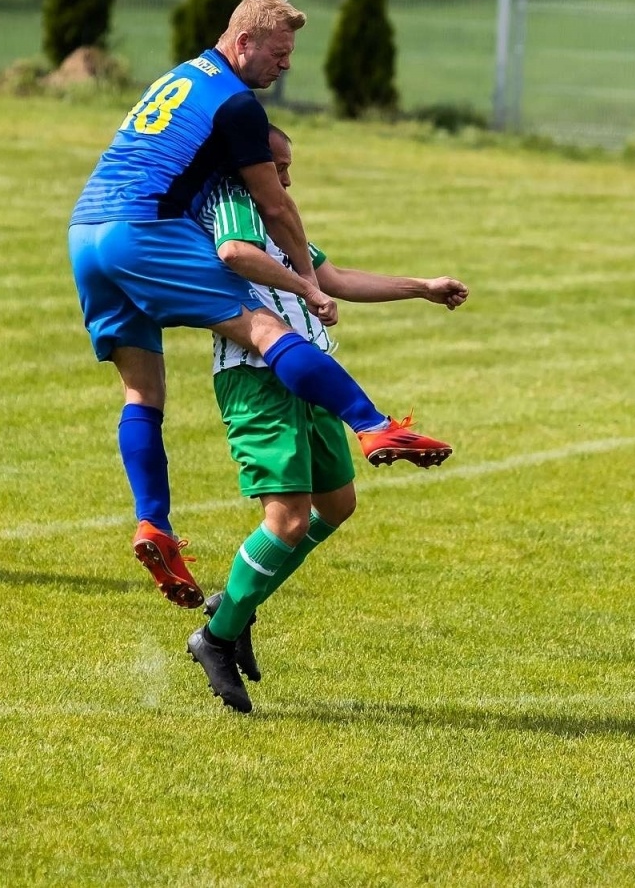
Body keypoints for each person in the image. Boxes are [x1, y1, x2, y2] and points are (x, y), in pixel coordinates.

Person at [69, 0, 453, 611]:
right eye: (279, 52)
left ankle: (154, 525)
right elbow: (274, 207)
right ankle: (373, 425)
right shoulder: (237, 105)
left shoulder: (179, 78)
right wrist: (305, 280)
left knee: (142, 393)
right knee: (266, 326)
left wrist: (413, 286)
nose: (286, 65)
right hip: (144, 227)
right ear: (243, 43)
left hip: (86, 230)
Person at [185, 126, 468, 713]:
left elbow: (333, 279)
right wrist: (302, 290)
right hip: (258, 375)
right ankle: (215, 636)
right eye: (278, 166)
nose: (285, 179)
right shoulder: (232, 201)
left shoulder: (274, 214)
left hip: (311, 372)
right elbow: (234, 254)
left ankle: (236, 605)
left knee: (336, 505)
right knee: (286, 520)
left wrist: (422, 287)